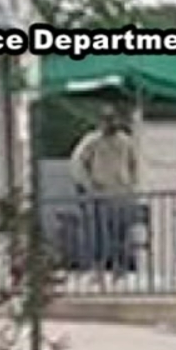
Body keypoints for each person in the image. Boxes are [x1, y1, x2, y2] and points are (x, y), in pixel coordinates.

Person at [68, 106, 140, 275]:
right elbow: (77, 163)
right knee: (100, 233)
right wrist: (89, 185)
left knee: (120, 233)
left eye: (112, 119)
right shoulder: (92, 141)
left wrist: (131, 183)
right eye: (106, 120)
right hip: (100, 194)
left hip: (121, 193)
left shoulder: (125, 141)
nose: (110, 123)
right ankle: (99, 267)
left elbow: (134, 163)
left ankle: (119, 266)